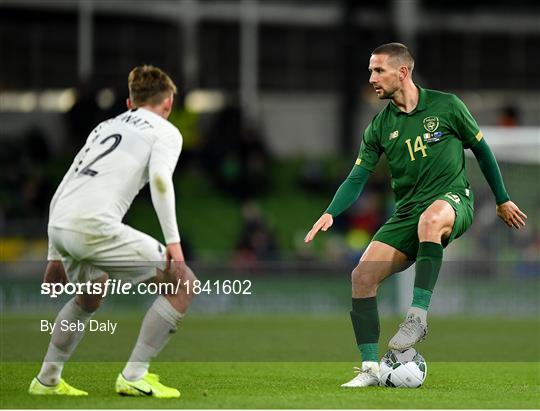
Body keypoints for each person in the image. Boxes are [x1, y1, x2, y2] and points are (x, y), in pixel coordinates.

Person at [304, 43, 527, 388]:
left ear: (402, 72)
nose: (372, 78)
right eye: (370, 70)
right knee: (362, 277)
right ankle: (370, 369)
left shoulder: (447, 106)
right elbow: (357, 176)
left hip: (452, 199)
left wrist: (502, 199)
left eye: (378, 70)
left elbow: (481, 150)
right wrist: (331, 212)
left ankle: (417, 316)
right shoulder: (379, 126)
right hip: (407, 211)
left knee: (430, 219)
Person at [29, 65, 197, 398]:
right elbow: (162, 180)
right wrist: (173, 243)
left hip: (62, 222)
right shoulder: (165, 131)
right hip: (92, 225)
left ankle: (47, 379)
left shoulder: (105, 126)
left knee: (90, 295)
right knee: (184, 283)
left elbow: (67, 182)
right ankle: (135, 374)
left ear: (129, 102)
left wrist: (54, 253)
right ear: (168, 104)